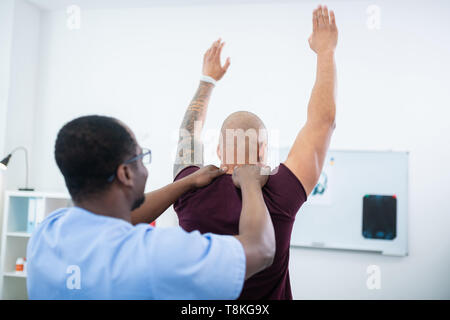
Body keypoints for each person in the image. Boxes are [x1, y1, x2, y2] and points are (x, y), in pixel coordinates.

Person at [173, 5, 338, 299]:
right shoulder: (281, 191)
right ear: (264, 149)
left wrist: (207, 80)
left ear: (219, 148)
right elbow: (322, 123)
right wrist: (325, 51)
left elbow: (189, 132)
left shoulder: (188, 187)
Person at [26, 115, 275, 299]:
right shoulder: (157, 253)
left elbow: (122, 218)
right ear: (125, 173)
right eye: (140, 157)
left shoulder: (47, 232)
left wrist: (186, 182)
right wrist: (251, 184)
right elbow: (260, 249)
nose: (145, 167)